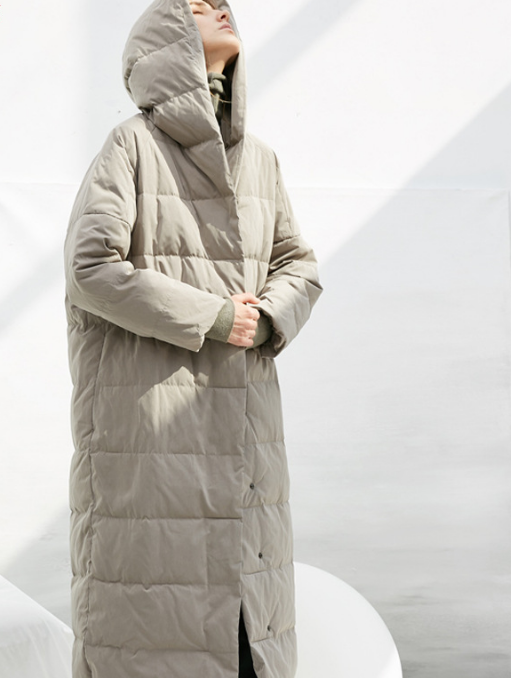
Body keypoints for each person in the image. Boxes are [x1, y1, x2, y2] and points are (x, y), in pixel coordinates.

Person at [64, 0, 322, 678]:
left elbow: (299, 264)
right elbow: (90, 269)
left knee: (247, 640)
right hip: (151, 432)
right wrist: (213, 316)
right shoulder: (131, 146)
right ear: (168, 40)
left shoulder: (259, 160)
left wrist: (266, 316)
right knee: (154, 633)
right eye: (200, 5)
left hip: (247, 431)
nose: (222, 9)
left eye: (224, 4)